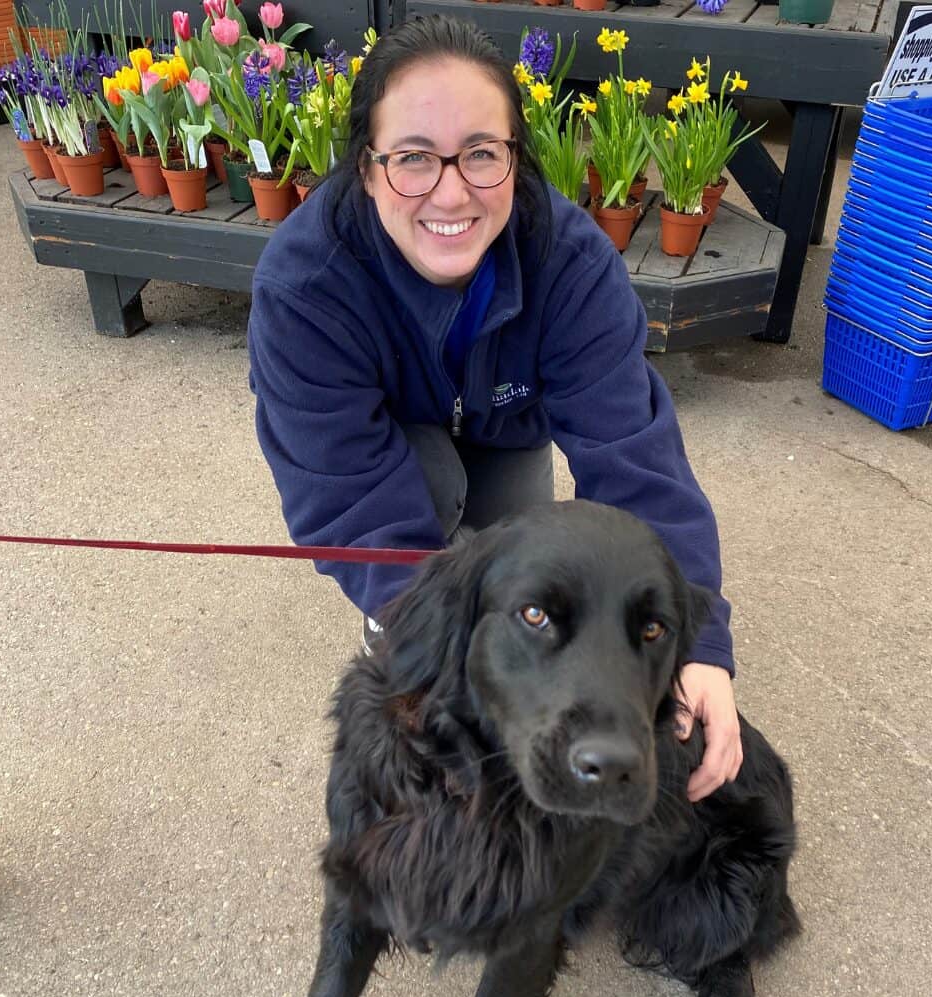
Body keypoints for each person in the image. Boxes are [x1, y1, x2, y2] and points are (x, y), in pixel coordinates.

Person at [247, 14, 741, 800]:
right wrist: (428, 644)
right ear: (367, 170)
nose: (451, 190)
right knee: (445, 585)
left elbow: (636, 460)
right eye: (412, 158)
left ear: (516, 158)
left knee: (536, 567)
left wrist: (701, 647)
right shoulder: (304, 287)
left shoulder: (573, 261)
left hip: (509, 425)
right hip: (399, 442)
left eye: (481, 153)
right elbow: (339, 487)